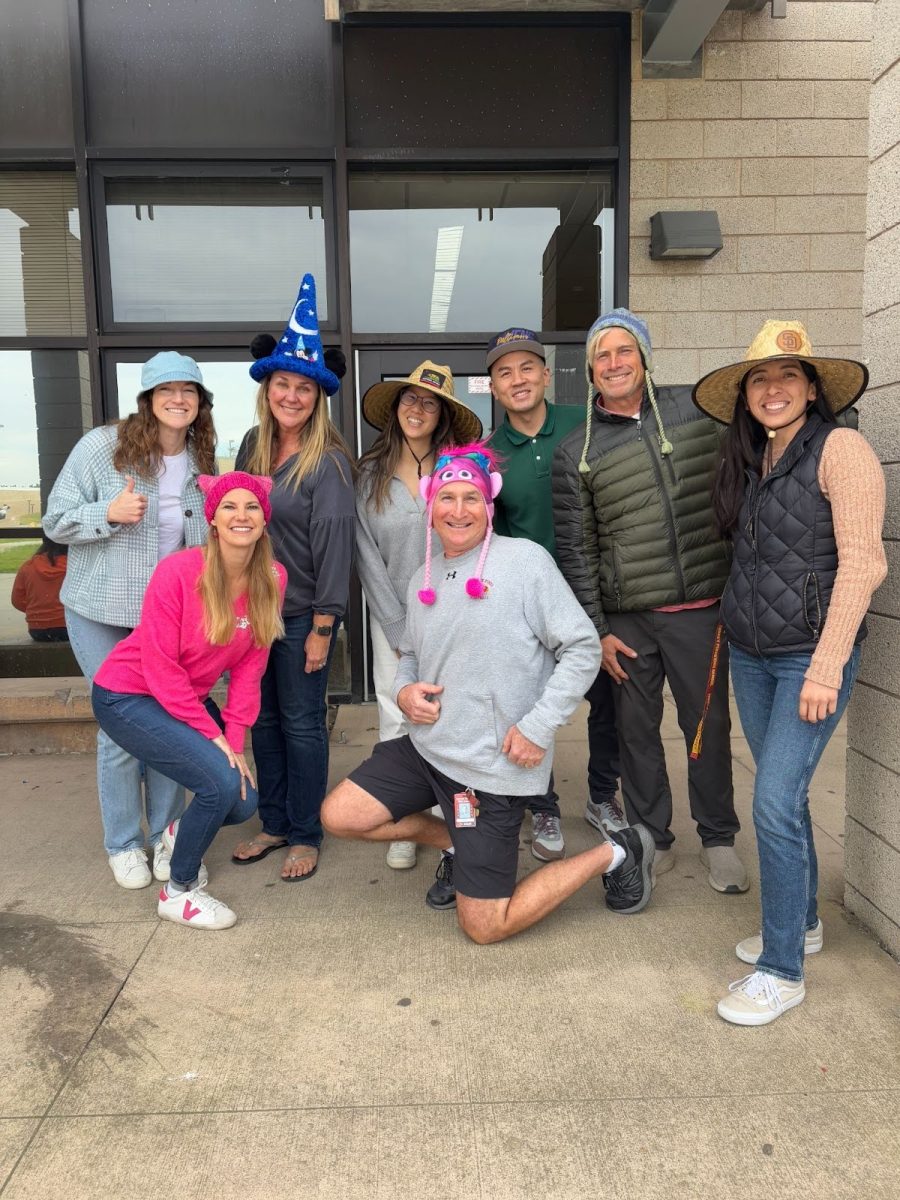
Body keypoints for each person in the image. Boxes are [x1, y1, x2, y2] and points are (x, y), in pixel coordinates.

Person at [321, 444, 655, 944]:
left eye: (471, 498)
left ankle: (619, 851)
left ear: (489, 506)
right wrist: (405, 688)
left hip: (492, 767)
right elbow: (409, 654)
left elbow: (583, 648)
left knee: (484, 926)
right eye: (447, 497)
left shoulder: (524, 562)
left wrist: (539, 727)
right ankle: (459, 845)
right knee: (340, 815)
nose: (458, 510)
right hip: (428, 748)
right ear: (430, 508)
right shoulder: (421, 581)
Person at [692, 321, 886, 1024]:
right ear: (747, 395)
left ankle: (783, 971)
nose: (773, 390)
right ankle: (801, 925)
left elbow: (864, 564)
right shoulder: (753, 460)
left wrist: (826, 667)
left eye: (787, 377)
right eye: (760, 380)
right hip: (751, 653)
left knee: (772, 802)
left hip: (810, 658)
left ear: (811, 388)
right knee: (790, 799)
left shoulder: (842, 449)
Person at [552, 309, 748, 893]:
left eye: (624, 351)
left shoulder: (699, 412)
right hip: (627, 620)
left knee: (706, 728)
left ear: (643, 357)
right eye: (602, 356)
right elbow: (577, 549)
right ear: (590, 369)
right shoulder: (574, 452)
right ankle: (650, 836)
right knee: (635, 732)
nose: (614, 363)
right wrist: (596, 630)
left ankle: (717, 837)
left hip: (700, 611)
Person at [43, 353, 215, 889]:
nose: (179, 398)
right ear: (147, 398)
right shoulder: (102, 448)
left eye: (190, 390)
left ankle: (166, 835)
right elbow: (54, 518)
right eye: (167, 389)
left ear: (201, 403)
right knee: (121, 729)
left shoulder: (201, 456)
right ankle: (122, 842)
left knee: (165, 725)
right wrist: (106, 515)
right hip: (101, 611)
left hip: (167, 620)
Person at [92, 472, 286, 929]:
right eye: (230, 507)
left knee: (241, 801)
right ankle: (179, 892)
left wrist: (233, 742)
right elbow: (159, 668)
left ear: (264, 519)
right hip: (127, 694)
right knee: (218, 785)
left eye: (252, 507)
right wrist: (211, 735)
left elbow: (248, 671)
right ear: (213, 519)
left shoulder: (272, 577)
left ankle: (176, 836)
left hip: (183, 699)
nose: (242, 515)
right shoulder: (178, 571)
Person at [230, 273, 355, 882]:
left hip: (304, 612)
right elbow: (230, 523)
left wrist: (324, 625)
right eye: (283, 383)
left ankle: (306, 831)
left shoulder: (327, 459)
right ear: (268, 387)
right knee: (264, 720)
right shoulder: (252, 446)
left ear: (318, 396)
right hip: (252, 612)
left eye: (304, 387)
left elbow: (336, 548)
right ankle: (274, 821)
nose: (292, 395)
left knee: (303, 722)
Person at [486, 327, 622, 864]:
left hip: (598, 592)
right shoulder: (491, 456)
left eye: (526, 368)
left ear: (546, 374)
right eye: (504, 372)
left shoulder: (585, 425)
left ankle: (602, 796)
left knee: (608, 701)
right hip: (531, 606)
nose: (517, 380)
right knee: (528, 704)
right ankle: (540, 802)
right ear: (493, 386)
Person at [356, 361, 482, 872]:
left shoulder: (460, 468)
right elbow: (364, 552)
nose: (418, 409)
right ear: (396, 409)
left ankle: (454, 813)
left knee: (453, 711)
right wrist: (393, 626)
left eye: (430, 403)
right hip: (391, 615)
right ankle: (404, 816)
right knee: (397, 712)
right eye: (410, 399)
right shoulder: (369, 474)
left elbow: (474, 534)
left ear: (443, 414)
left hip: (454, 610)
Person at [11, 535, 69, 641]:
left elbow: (17, 600)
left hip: (37, 630)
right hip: (68, 627)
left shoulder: (28, 566)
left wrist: (36, 610)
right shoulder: (72, 566)